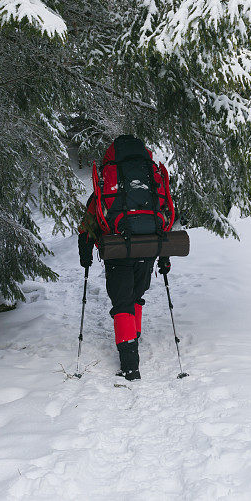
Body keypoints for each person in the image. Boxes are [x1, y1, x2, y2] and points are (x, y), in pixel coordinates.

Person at [78, 135, 174, 381]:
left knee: (122, 302)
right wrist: (164, 257)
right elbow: (164, 213)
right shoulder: (151, 179)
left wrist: (85, 251)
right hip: (149, 247)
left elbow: (92, 217)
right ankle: (134, 338)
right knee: (135, 296)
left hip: (118, 249)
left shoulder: (110, 179)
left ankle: (130, 366)